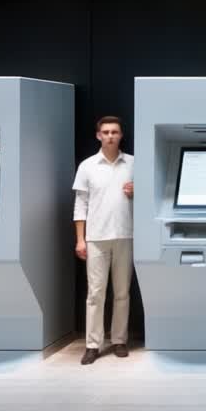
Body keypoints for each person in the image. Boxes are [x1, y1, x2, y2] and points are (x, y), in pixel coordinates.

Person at [72, 116, 135, 366]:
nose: (110, 136)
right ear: (98, 135)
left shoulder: (133, 163)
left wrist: (137, 190)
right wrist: (80, 240)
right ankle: (92, 345)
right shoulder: (87, 166)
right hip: (96, 237)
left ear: (121, 135)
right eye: (106, 132)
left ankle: (119, 340)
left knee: (122, 293)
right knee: (95, 294)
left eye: (115, 132)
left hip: (125, 235)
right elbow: (80, 204)